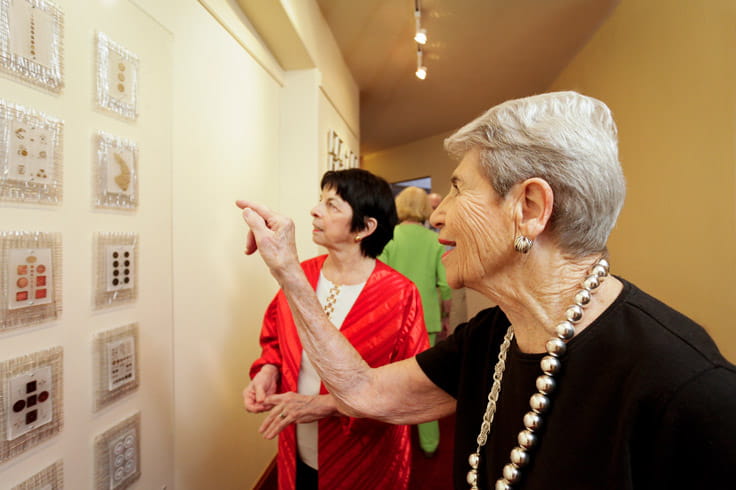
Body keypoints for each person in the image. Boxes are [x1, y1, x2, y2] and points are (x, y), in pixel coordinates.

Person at [237, 91, 736, 490]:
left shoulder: (691, 391)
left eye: (459, 189)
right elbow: (364, 390)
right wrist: (286, 269)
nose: (436, 214)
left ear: (530, 207)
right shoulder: (491, 333)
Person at [240, 169, 429, 490]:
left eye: (332, 205)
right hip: (295, 439)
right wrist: (268, 370)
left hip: (361, 455)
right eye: (319, 200)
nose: (315, 210)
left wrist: (325, 405)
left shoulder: (399, 294)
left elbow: (411, 387)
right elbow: (274, 335)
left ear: (366, 227)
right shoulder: (300, 276)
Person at [378, 186, 452, 458]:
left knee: (389, 382)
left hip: (392, 320)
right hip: (427, 318)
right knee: (426, 383)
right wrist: (445, 318)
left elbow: (379, 281)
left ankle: (394, 442)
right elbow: (444, 286)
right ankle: (429, 444)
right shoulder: (435, 241)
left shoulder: (388, 238)